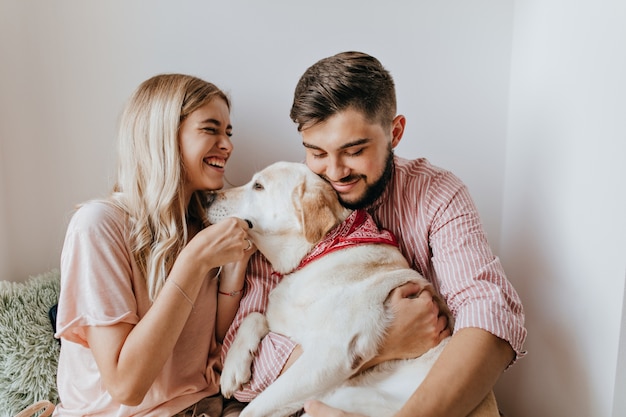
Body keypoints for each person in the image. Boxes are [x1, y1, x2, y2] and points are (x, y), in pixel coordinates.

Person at [221, 52, 527, 417]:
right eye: (316, 152)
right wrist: (374, 346)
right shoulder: (285, 200)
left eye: (354, 151)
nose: (333, 173)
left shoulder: (437, 194)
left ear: (394, 132)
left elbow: (490, 316)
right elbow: (245, 377)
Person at [52, 74, 253, 416]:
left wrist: (235, 268)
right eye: (211, 129)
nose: (228, 145)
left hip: (206, 407)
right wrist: (192, 263)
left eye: (228, 133)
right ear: (163, 136)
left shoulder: (204, 225)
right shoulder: (98, 226)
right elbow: (127, 386)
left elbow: (213, 344)